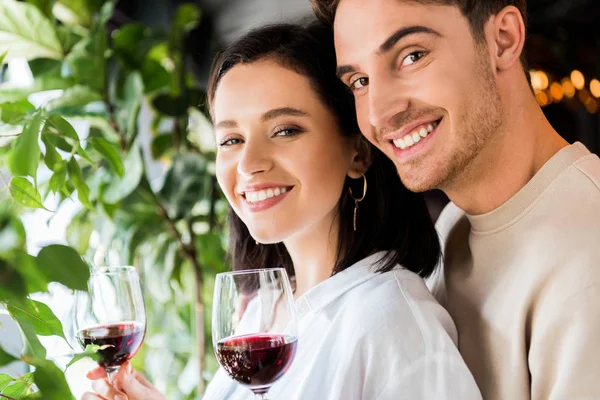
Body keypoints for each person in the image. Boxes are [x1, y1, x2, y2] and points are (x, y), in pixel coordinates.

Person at [83, 21, 482, 400]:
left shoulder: (394, 322)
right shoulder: (264, 310)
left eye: (284, 130)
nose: (249, 163)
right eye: (232, 139)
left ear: (358, 152)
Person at [311, 0, 600, 398]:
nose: (379, 114)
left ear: (503, 40)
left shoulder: (588, 252)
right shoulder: (453, 225)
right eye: (359, 81)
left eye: (411, 56)